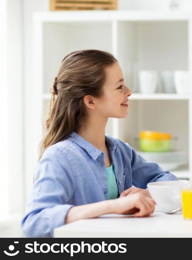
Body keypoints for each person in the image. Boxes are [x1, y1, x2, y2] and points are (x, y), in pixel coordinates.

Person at [22, 50, 177, 237]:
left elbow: (165, 178)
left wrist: (147, 194)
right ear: (90, 101)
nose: (129, 92)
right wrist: (113, 206)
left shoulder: (120, 151)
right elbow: (34, 223)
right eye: (120, 87)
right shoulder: (59, 157)